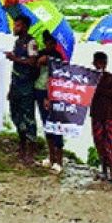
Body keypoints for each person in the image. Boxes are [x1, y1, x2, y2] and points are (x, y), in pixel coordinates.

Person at [5, 15, 40, 165]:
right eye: (14, 25)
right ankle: (22, 147)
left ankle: (30, 153)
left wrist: (14, 58)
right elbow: (15, 69)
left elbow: (32, 63)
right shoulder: (17, 42)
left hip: (27, 86)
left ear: (25, 27)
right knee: (15, 115)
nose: (15, 28)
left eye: (18, 25)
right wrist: (10, 88)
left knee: (29, 118)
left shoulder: (31, 43)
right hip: (16, 85)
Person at [34, 31, 66, 173]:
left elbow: (59, 78)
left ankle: (59, 160)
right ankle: (50, 157)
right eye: (48, 43)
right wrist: (38, 63)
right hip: (39, 91)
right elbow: (33, 72)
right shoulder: (39, 54)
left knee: (56, 125)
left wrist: (50, 97)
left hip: (53, 94)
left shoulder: (58, 57)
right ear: (44, 42)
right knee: (46, 124)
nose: (50, 45)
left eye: (53, 43)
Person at [90, 51, 112, 182]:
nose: (101, 65)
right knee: (99, 142)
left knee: (110, 143)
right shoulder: (89, 77)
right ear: (94, 63)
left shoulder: (110, 77)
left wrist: (99, 90)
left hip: (108, 115)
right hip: (96, 114)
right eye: (99, 62)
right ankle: (103, 169)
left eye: (103, 63)